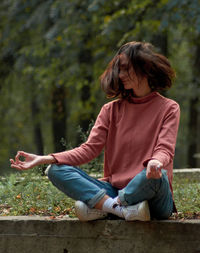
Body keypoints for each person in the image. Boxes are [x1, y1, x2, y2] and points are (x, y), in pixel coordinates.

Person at [10, 41, 180, 222]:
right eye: (119, 69)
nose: (121, 75)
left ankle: (107, 207)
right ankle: (121, 209)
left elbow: (165, 149)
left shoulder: (169, 108)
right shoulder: (110, 110)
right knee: (55, 170)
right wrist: (45, 159)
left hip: (154, 196)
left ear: (145, 68)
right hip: (115, 190)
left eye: (125, 69)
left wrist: (155, 161)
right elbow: (89, 149)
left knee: (156, 175)